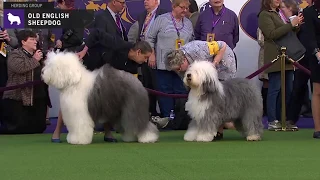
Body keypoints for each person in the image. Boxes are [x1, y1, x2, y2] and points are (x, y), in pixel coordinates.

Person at [52, 29, 152, 142]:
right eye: (145, 57)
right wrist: (84, 50)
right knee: (70, 97)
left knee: (107, 103)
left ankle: (108, 133)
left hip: (103, 76)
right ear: (138, 52)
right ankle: (57, 131)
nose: (145, 61)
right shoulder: (119, 44)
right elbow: (96, 33)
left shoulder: (133, 65)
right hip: (88, 61)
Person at [152, 40, 236, 140]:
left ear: (183, 60)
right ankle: (204, 129)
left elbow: (223, 45)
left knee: (216, 103)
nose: (178, 71)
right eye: (175, 70)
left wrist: (214, 63)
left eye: (179, 68)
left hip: (223, 63)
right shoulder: (180, 65)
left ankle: (217, 131)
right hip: (204, 74)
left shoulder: (197, 49)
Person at [145, 0, 194, 127]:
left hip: (181, 66)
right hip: (162, 64)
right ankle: (167, 120)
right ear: (173, 7)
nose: (185, 10)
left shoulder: (188, 23)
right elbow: (149, 37)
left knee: (181, 91)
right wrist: (151, 54)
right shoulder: (161, 20)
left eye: (187, 8)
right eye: (182, 7)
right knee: (164, 91)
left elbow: (192, 41)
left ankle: (180, 120)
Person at [258, 0, 303, 130]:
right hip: (275, 56)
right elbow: (271, 34)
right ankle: (272, 120)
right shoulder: (264, 15)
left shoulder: (280, 13)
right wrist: (290, 25)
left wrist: (296, 25)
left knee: (288, 90)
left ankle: (283, 119)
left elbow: (288, 33)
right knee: (275, 89)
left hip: (288, 56)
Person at [0, 30, 49, 134]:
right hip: (18, 98)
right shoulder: (15, 54)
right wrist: (35, 60)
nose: (35, 41)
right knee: (17, 129)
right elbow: (20, 68)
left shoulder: (39, 55)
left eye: (35, 39)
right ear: (23, 42)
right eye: (31, 39)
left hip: (38, 96)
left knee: (39, 127)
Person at [51, 0, 85, 143]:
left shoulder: (75, 17)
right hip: (70, 58)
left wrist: (62, 43)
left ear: (65, 3)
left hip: (74, 59)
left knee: (71, 95)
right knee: (68, 95)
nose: (58, 7)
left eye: (59, 4)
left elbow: (77, 37)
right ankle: (59, 131)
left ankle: (60, 131)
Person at [303, 0, 320, 138]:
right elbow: (310, 36)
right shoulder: (309, 12)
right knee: (317, 91)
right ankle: (318, 129)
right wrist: (317, 52)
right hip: (317, 55)